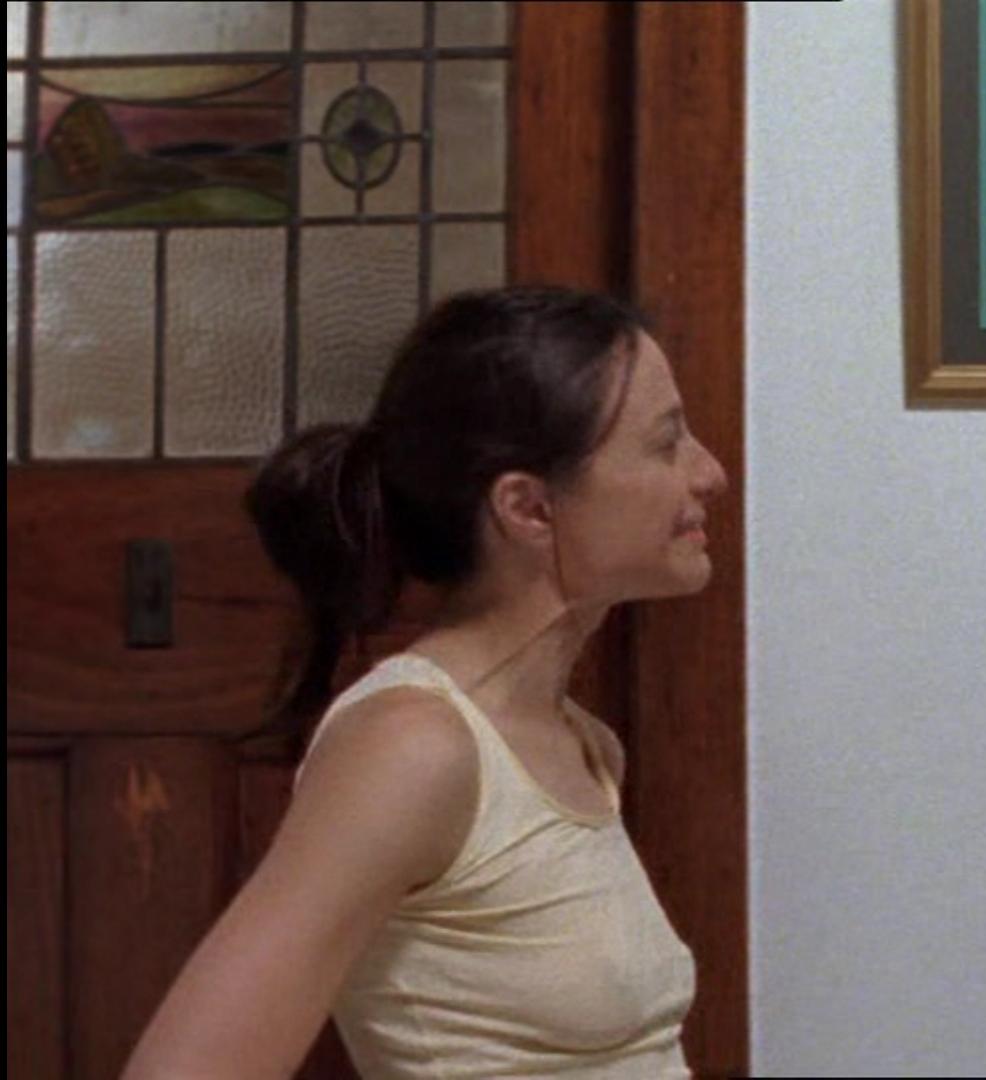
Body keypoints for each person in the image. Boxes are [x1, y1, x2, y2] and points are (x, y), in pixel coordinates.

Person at [125, 285, 728, 1078]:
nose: (709, 473)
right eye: (666, 443)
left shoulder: (585, 746)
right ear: (529, 508)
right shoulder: (411, 748)